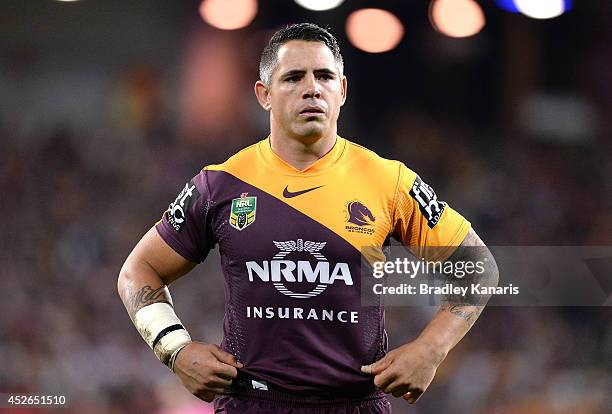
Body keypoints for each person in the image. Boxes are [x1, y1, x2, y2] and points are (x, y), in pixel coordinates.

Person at [117, 23, 499, 414]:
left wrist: (430, 349)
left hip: (353, 405)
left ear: (342, 91)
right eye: (294, 77)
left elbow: (478, 268)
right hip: (252, 403)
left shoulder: (389, 181)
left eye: (325, 76)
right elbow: (138, 271)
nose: (312, 88)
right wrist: (174, 349)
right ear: (264, 95)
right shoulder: (221, 184)